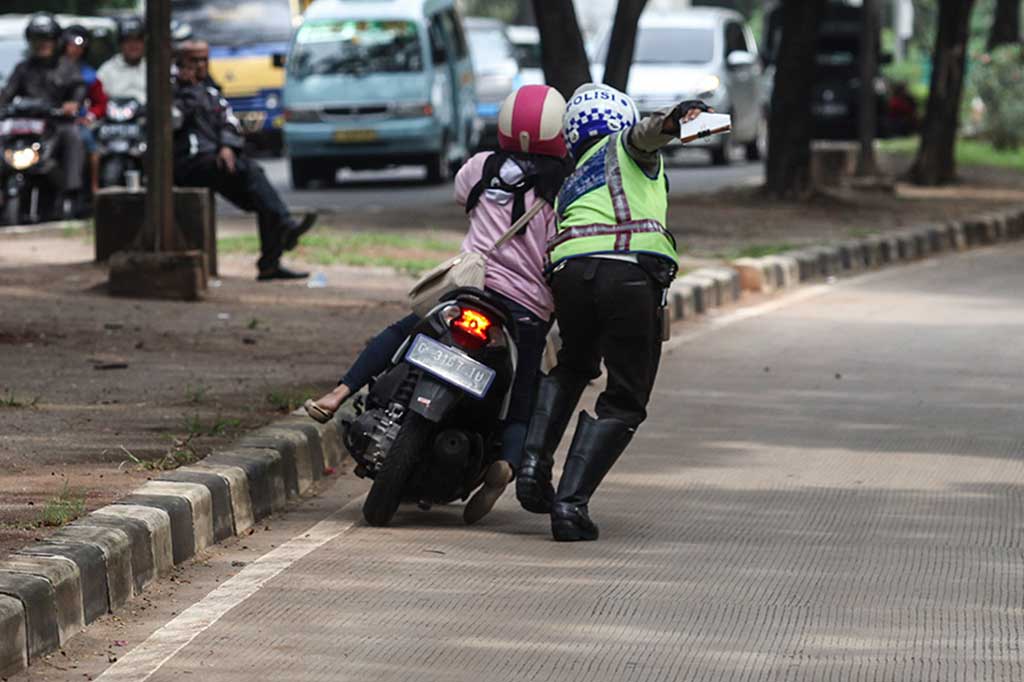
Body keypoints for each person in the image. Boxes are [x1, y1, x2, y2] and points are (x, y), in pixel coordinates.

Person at [305, 84, 573, 524]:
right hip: (524, 312)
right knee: (522, 390)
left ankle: (338, 393)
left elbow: (462, 200)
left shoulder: (480, 168)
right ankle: (505, 460)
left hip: (470, 290)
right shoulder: (565, 189)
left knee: (401, 334)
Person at [514, 83, 710, 542]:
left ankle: (532, 463)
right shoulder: (625, 146)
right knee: (624, 398)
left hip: (571, 274)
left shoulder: (574, 175)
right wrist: (675, 120)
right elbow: (645, 135)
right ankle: (570, 505)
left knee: (574, 367)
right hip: (628, 277)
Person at [173, 41, 316, 280]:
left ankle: (270, 263)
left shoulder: (211, 91)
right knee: (252, 173)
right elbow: (174, 122)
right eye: (194, 61)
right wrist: (187, 89)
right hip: (190, 163)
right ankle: (285, 224)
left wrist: (228, 145)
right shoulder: (172, 90)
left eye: (204, 60)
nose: (200, 66)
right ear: (181, 63)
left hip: (217, 162)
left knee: (260, 195)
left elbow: (230, 121)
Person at [0, 12, 87, 220]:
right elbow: (7, 95)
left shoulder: (68, 67)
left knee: (73, 136)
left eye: (47, 39)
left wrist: (71, 106)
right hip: (25, 127)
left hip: (55, 126)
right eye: (38, 40)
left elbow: (78, 93)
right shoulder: (23, 68)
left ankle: (71, 190)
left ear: (56, 41)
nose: (42, 45)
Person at [62, 24, 108, 203]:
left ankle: (94, 188)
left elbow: (101, 103)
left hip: (77, 122)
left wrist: (89, 116)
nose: (74, 49)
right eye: (70, 44)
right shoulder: (50, 70)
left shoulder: (89, 75)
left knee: (89, 141)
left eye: (79, 45)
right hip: (51, 120)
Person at [96, 16, 147, 104]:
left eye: (137, 40)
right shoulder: (106, 70)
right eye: (128, 41)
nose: (133, 45)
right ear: (120, 44)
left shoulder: (154, 70)